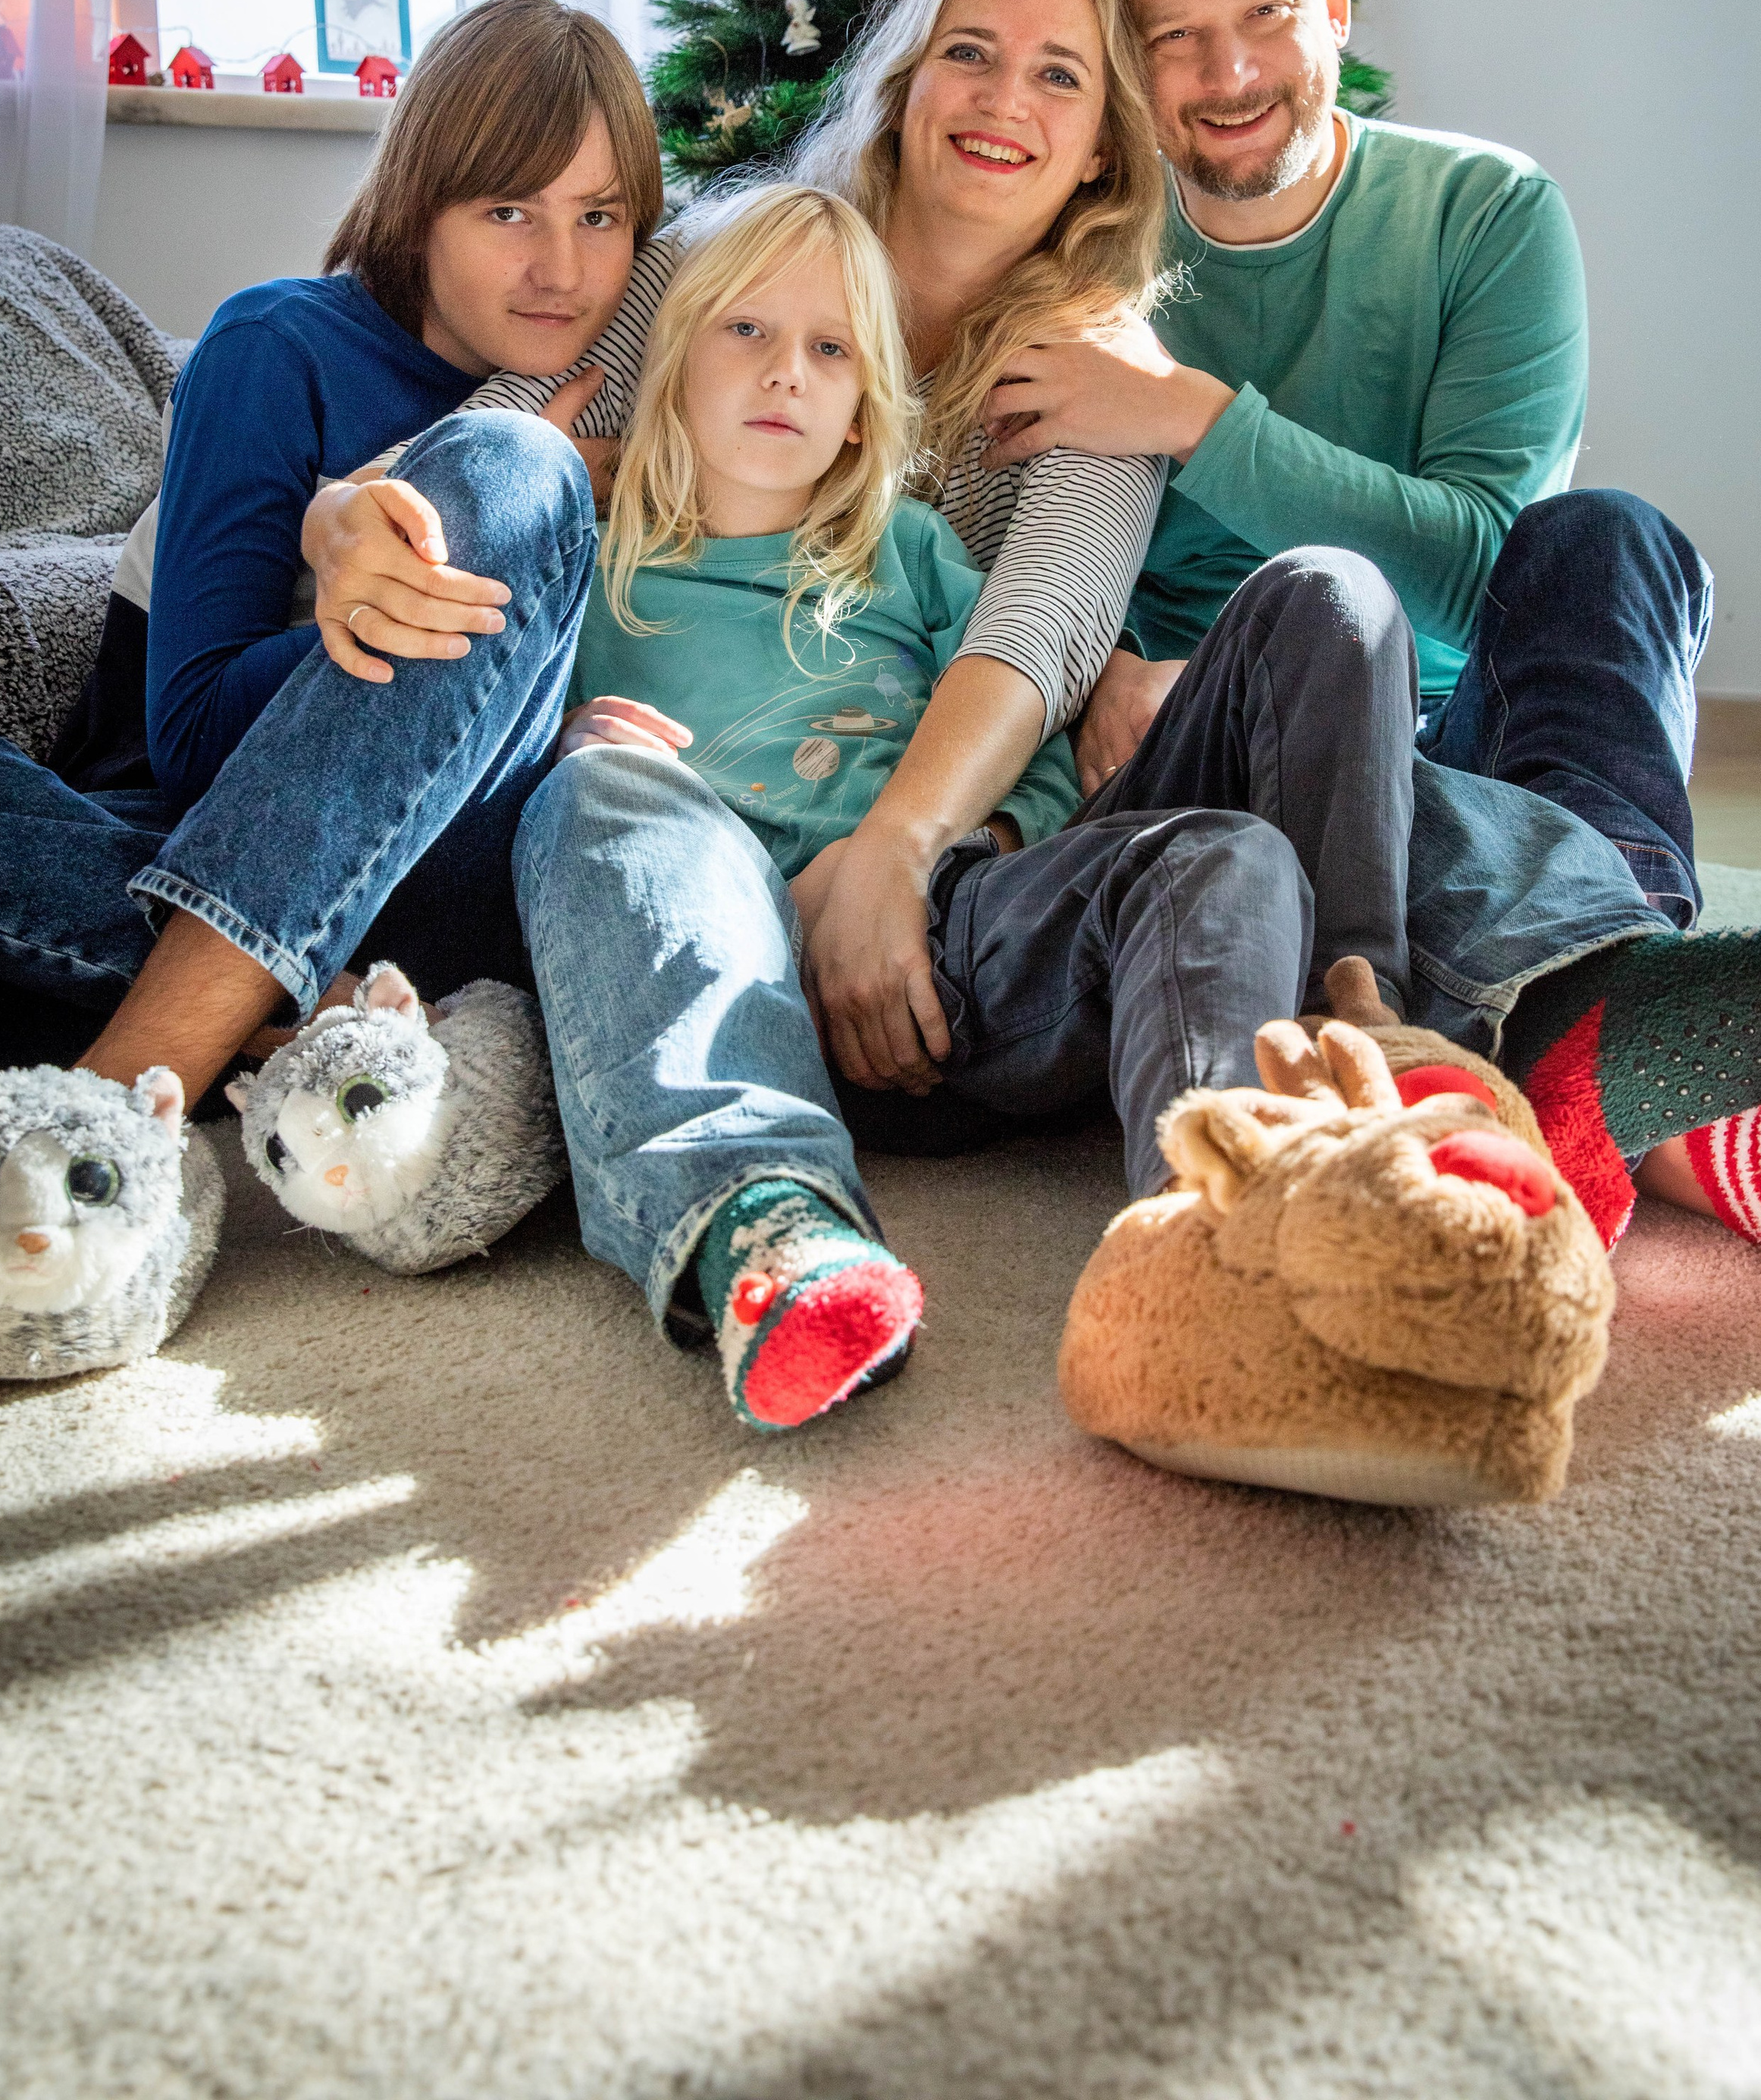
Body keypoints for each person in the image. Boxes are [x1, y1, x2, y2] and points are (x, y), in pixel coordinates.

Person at [304, 0, 1173, 1103]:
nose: (1004, 97)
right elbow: (485, 452)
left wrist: (894, 859)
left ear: (1103, 156)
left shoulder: (1101, 366)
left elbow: (1042, 630)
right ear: (904, 84)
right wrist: (345, 511)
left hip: (884, 821)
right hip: (651, 813)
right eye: (967, 51)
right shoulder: (729, 255)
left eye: (1059, 74)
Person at [519, 180, 1324, 1431]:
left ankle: (1216, 1239)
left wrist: (966, 843)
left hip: (945, 955)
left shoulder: (910, 549)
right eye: (746, 331)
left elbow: (1036, 753)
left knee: (1227, 854)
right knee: (599, 785)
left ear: (858, 409)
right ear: (674, 358)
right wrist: (566, 740)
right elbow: (488, 764)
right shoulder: (593, 556)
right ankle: (774, 1226)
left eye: (829, 350)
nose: (787, 373)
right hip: (722, 972)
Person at [0, 0, 659, 1102]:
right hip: (173, 838)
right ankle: (294, 1007)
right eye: (510, 212)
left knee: (514, 468)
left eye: (601, 218)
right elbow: (193, 740)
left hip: (445, 870)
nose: (563, 269)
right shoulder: (279, 348)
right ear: (420, 206)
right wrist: (373, 592)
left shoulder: (625, 385)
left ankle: (166, 1056)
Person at [975, 0, 1714, 930]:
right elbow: (996, 541)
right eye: (1174, 37)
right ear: (1129, 66)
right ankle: (1533, 935)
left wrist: (1191, 415)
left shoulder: (1488, 212)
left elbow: (1481, 576)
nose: (1229, 75)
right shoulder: (1080, 254)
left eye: (1265, 13)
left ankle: (1614, 942)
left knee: (1610, 539)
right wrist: (1122, 672)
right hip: (1197, 735)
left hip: (1466, 735)